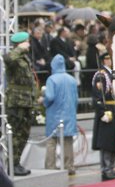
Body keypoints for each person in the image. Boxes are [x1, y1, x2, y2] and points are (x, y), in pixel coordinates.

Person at [2, 32, 37, 176]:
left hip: (26, 102)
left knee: (24, 134)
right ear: (21, 43)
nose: (29, 44)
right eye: (26, 42)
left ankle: (16, 162)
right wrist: (19, 48)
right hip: (16, 102)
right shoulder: (14, 56)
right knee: (15, 134)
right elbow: (8, 58)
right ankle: (12, 164)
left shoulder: (24, 59)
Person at [42, 54, 78, 176]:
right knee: (68, 142)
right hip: (69, 114)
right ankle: (69, 167)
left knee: (51, 142)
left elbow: (50, 97)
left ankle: (50, 167)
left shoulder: (51, 79)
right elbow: (76, 99)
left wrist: (44, 102)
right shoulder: (72, 79)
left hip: (54, 115)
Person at [92, 52, 115, 180]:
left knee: (113, 142)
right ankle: (106, 169)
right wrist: (103, 111)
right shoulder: (101, 75)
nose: (110, 60)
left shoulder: (109, 73)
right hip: (107, 111)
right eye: (107, 58)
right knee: (106, 143)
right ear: (104, 60)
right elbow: (98, 97)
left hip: (114, 109)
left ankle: (111, 167)